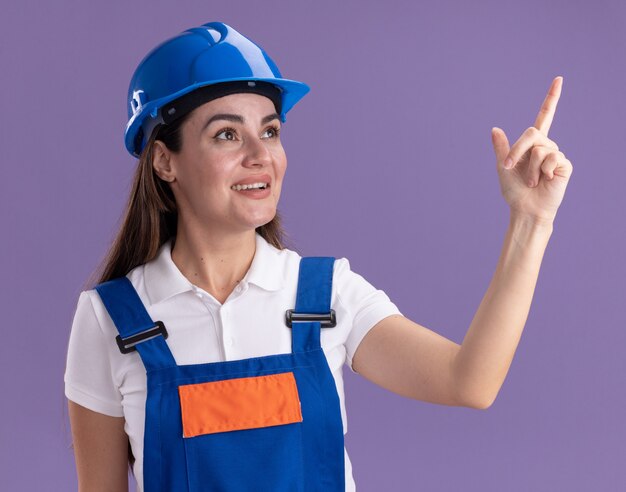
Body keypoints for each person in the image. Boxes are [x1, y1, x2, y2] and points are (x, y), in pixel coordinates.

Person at [64, 21, 573, 492]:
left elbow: (471, 382)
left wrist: (531, 221)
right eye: (226, 134)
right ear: (163, 160)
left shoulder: (324, 296)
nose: (260, 155)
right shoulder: (112, 321)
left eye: (269, 130)